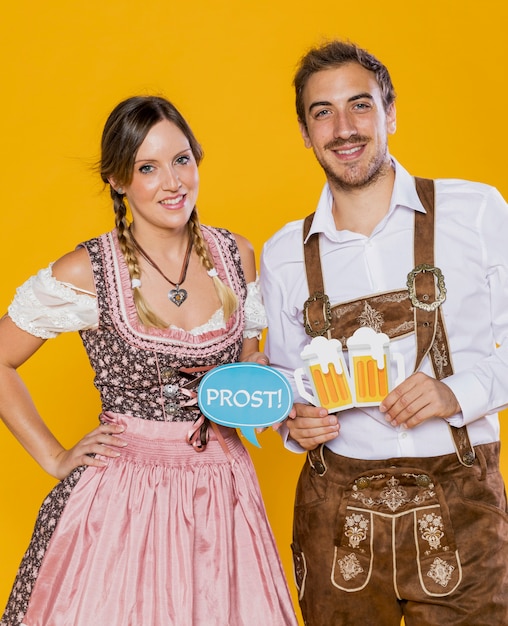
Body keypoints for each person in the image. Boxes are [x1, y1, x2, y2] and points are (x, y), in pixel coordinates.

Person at [0, 95, 298, 626]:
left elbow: (249, 370)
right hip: (122, 500)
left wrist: (273, 392)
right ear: (118, 179)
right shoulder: (85, 271)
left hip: (222, 494)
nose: (172, 182)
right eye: (147, 167)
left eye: (182, 160)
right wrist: (52, 456)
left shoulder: (237, 255)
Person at [261, 40, 508, 626]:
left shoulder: (474, 211)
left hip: (463, 509)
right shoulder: (282, 256)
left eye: (360, 105)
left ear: (390, 113)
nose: (344, 128)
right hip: (335, 521)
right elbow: (284, 380)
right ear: (305, 132)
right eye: (322, 112)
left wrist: (460, 391)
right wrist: (292, 420)